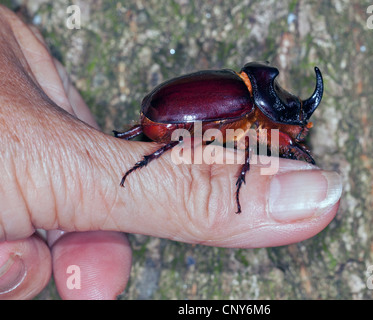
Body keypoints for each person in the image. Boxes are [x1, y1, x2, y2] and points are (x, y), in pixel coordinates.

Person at [0, 5, 342, 299]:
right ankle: (144, 155)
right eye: (294, 121)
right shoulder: (244, 107)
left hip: (160, 113)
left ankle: (136, 144)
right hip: (166, 122)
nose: (296, 133)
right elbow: (247, 145)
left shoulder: (246, 100)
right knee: (185, 139)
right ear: (273, 108)